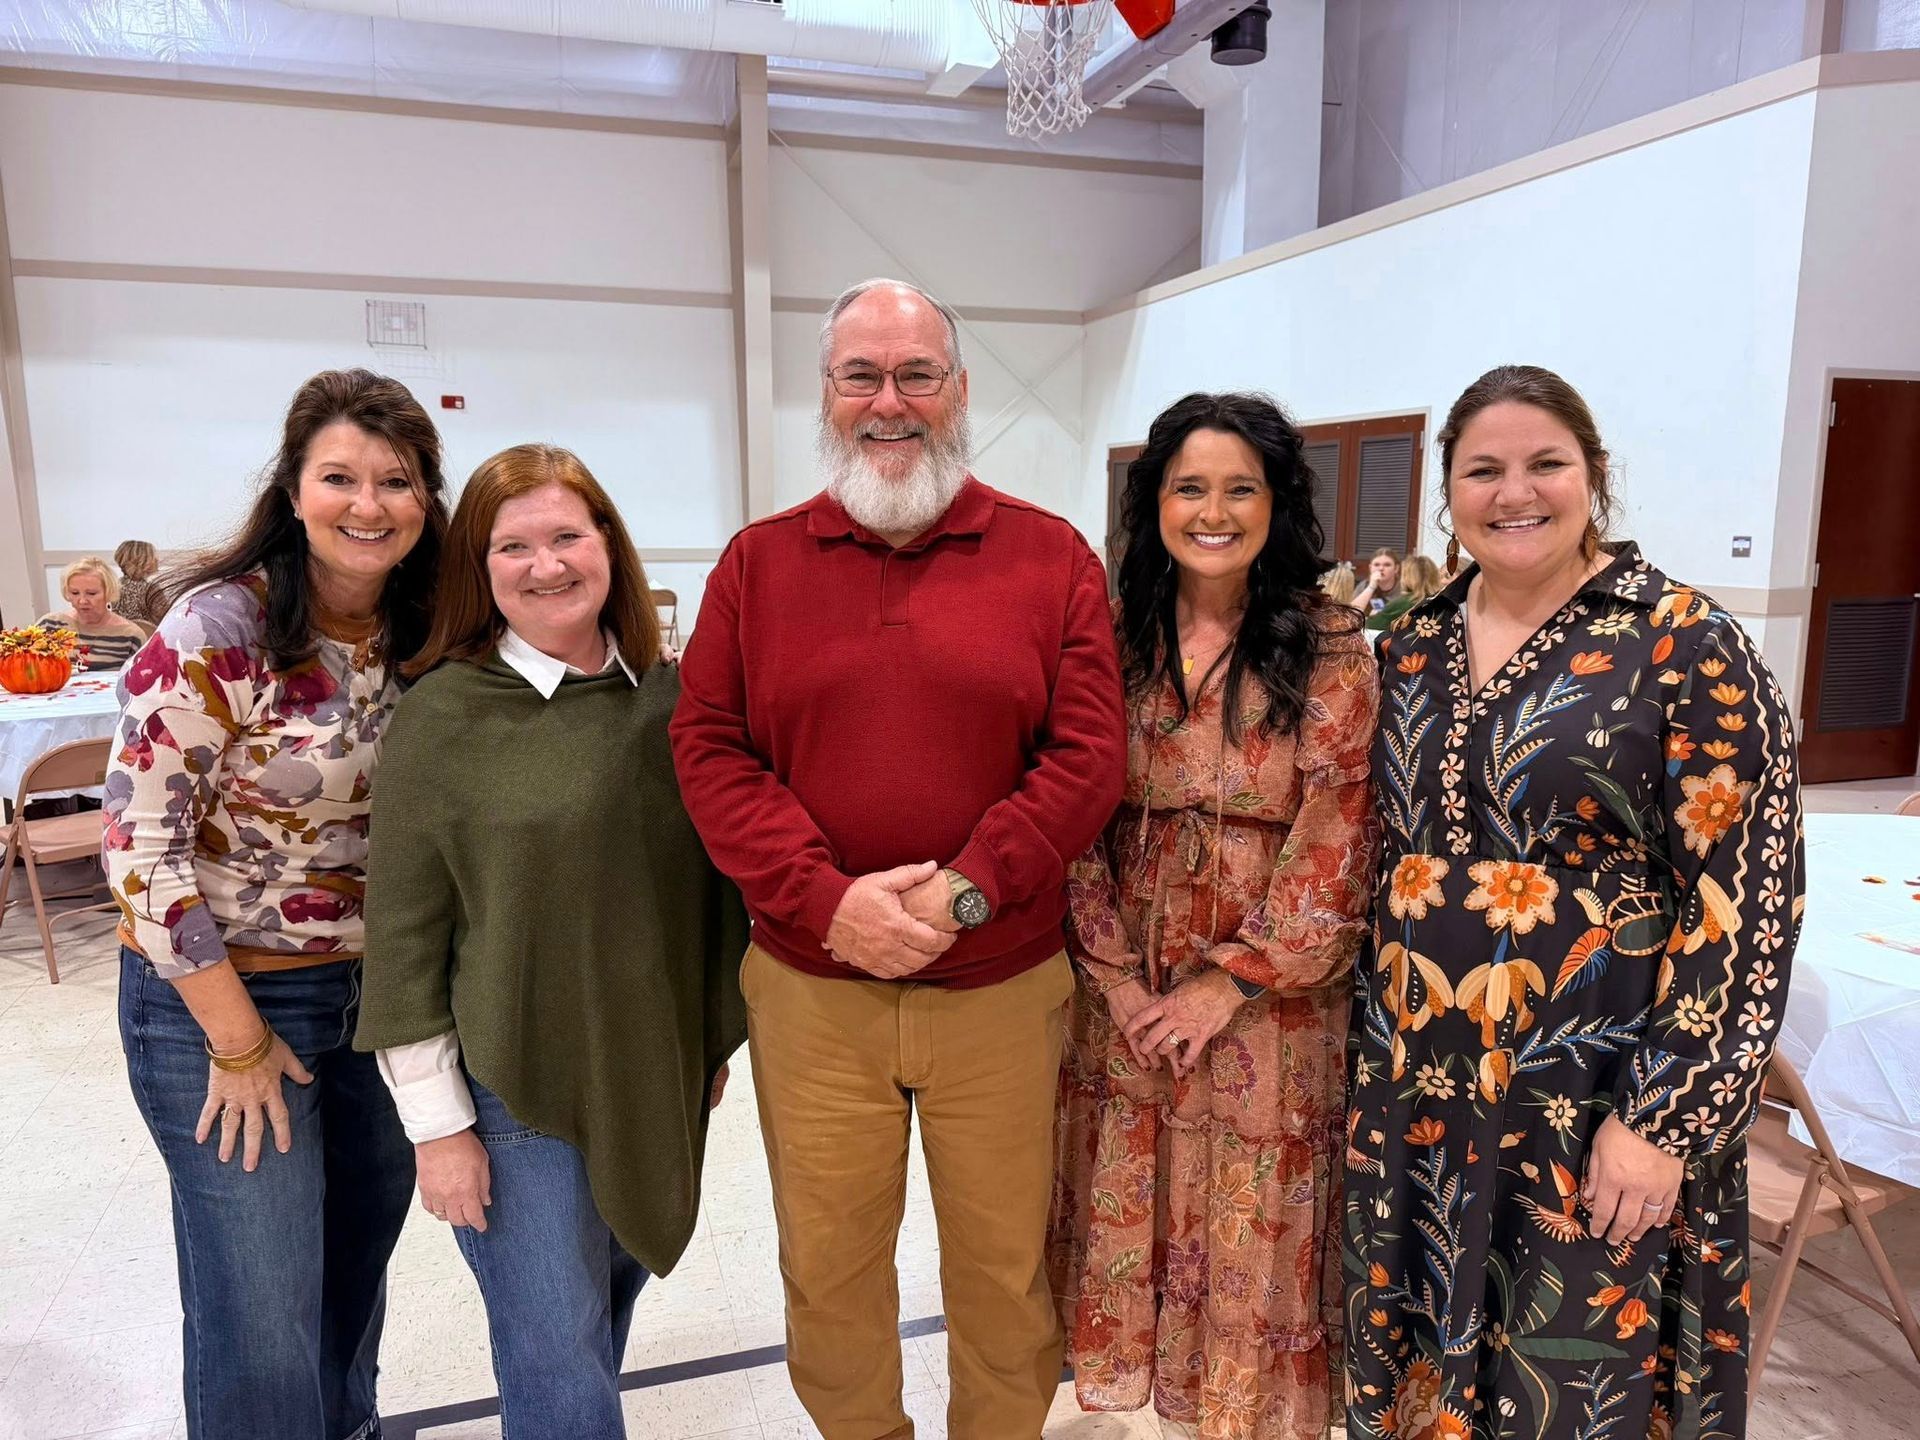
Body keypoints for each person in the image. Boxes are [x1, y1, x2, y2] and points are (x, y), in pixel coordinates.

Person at [670, 276, 1127, 1440]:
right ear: (824, 392)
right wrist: (826, 903)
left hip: (1002, 989)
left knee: (1005, 1271)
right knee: (828, 1271)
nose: (890, 402)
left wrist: (970, 889)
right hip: (816, 994)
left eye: (917, 374)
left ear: (959, 391)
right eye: (861, 376)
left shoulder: (1051, 558)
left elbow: (1087, 756)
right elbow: (709, 750)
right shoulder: (755, 566)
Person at [1344, 366, 1802, 1440]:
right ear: (1447, 494)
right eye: (1483, 470)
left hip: (1593, 1097)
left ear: (1594, 475)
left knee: (1567, 1375)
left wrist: (1665, 1120)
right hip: (1417, 1090)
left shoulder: (1684, 643)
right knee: (1418, 1377)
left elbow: (1748, 901)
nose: (1515, 492)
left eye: (1545, 463)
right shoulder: (1409, 646)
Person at [355, 444, 748, 1437]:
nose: (547, 565)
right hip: (512, 1086)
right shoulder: (444, 716)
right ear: (477, 569)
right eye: (513, 547)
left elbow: (698, 890)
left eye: (568, 535)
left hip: (649, 1072)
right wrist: (437, 1128)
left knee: (596, 1323)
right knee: (555, 1357)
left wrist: (704, 1041)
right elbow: (402, 937)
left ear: (609, 544)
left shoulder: (669, 701)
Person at [104, 369, 448, 1440]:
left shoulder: (431, 628)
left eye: (396, 480)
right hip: (224, 1001)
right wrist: (238, 1040)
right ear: (293, 490)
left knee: (350, 1276)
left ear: (427, 499)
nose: (367, 504)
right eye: (339, 477)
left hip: (379, 1002)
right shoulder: (223, 627)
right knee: (261, 1310)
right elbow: (139, 847)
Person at [1048, 393, 1380, 1440]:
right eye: (1190, 487)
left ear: (1278, 504)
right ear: (1155, 502)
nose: (1215, 512)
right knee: (1134, 1211)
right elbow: (1066, 806)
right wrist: (1116, 979)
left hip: (1269, 1008)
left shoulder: (1331, 645)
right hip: (1123, 995)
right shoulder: (1110, 636)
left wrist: (1226, 980)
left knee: (1246, 1235)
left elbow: (1339, 829)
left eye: (1242, 488)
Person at [36, 556, 147, 669]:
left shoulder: (131, 636)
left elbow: (142, 676)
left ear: (109, 592)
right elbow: (29, 667)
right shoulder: (49, 626)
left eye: (91, 593)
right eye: (75, 593)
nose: (82, 601)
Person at [1368, 552, 1443, 628]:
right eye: (1377, 564)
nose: (1381, 568)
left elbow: (1370, 626)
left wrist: (1374, 616)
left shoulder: (1402, 603)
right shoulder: (1444, 601)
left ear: (1407, 577)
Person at [113, 539, 168, 628]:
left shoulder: (112, 586)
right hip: (147, 635)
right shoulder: (151, 589)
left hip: (118, 635)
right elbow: (166, 619)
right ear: (142, 561)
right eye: (153, 557)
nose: (157, 560)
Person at [1351, 548, 1400, 615]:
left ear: (1396, 568)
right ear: (1370, 568)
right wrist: (1371, 587)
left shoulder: (1403, 587)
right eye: (1376, 565)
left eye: (1387, 565)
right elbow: (1352, 612)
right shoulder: (1364, 585)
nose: (1381, 568)